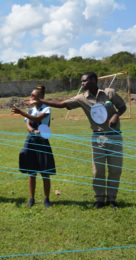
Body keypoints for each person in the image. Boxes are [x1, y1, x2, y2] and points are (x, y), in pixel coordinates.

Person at [29, 72, 126, 209]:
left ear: (93, 80)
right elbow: (62, 104)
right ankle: (99, 200)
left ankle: (112, 199)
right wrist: (42, 101)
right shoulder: (82, 98)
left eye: (84, 81)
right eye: (81, 81)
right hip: (98, 137)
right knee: (98, 171)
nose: (82, 84)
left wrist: (116, 115)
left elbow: (122, 107)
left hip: (115, 136)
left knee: (115, 170)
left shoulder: (109, 93)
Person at [12, 86, 55, 208]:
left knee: (45, 172)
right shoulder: (30, 110)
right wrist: (32, 130)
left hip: (42, 142)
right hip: (31, 140)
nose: (31, 98)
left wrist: (21, 112)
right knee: (32, 172)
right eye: (31, 96)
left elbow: (37, 119)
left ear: (41, 97)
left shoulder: (46, 109)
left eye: (34, 96)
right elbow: (28, 125)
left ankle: (47, 199)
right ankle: (32, 199)